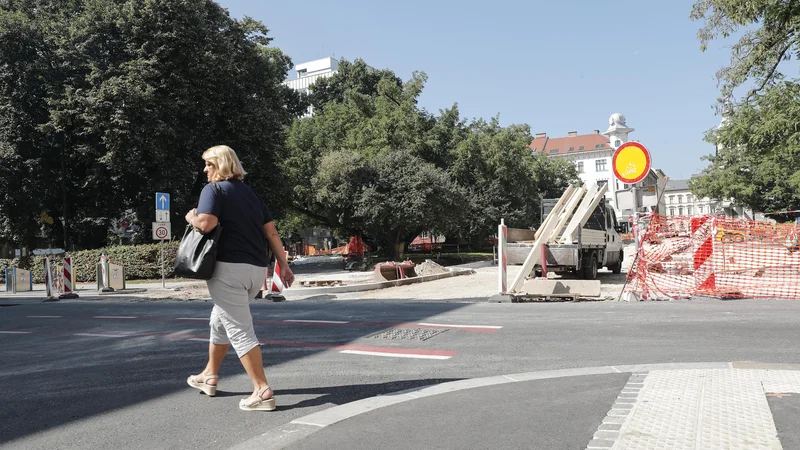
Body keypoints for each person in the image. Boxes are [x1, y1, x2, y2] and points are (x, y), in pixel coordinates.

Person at [184, 145, 294, 411]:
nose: (205, 169)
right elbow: (272, 234)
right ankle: (209, 375)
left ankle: (262, 390)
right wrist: (285, 266)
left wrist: (192, 217)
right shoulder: (252, 195)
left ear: (221, 164)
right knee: (219, 320)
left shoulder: (214, 190)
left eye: (209, 164)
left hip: (228, 270)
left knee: (239, 329)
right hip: (256, 270)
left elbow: (207, 223)